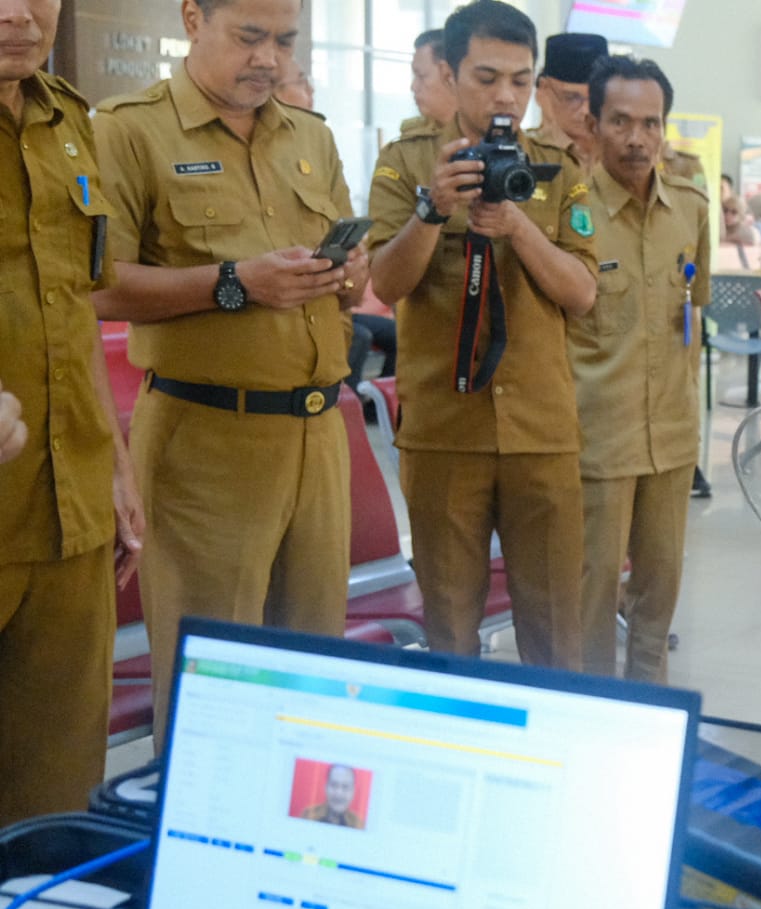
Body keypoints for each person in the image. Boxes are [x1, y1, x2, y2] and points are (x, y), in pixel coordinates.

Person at [92, 0, 365, 754]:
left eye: (285, 41)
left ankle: (298, 853)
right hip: (205, 441)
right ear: (191, 18)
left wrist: (347, 272)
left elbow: (344, 275)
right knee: (213, 687)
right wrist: (233, 282)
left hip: (318, 431)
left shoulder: (308, 135)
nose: (269, 60)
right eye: (249, 37)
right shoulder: (129, 129)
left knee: (314, 680)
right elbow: (95, 285)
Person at [367, 0, 596, 668]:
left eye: (521, 81)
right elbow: (386, 282)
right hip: (444, 430)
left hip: (541, 431)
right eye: (487, 77)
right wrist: (432, 210)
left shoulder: (556, 166)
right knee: (449, 632)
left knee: (557, 633)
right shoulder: (407, 161)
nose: (506, 96)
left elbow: (582, 293)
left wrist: (518, 226)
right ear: (448, 71)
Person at [1, 0, 145, 823]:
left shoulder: (67, 120)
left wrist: (118, 468)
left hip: (70, 510)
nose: (20, 14)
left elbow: (76, 306)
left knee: (55, 802)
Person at [566, 55, 710, 683]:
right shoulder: (570, 215)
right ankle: (593, 720)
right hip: (596, 442)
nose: (636, 138)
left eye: (650, 123)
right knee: (589, 608)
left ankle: (651, 718)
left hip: (672, 440)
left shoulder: (691, 208)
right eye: (620, 121)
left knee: (657, 604)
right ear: (593, 124)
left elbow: (694, 311)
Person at [530, 32, 606, 170]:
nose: (586, 110)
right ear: (543, 90)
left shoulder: (621, 153)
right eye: (572, 98)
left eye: (596, 97)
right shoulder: (527, 153)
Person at [408, 28, 455, 131]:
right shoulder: (411, 141)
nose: (413, 87)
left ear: (448, 75)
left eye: (421, 76)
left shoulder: (486, 136)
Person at [299, 763, 363, 828]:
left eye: (345, 787)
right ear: (325, 787)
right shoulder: (309, 815)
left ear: (353, 791)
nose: (338, 793)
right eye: (334, 785)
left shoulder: (358, 825)